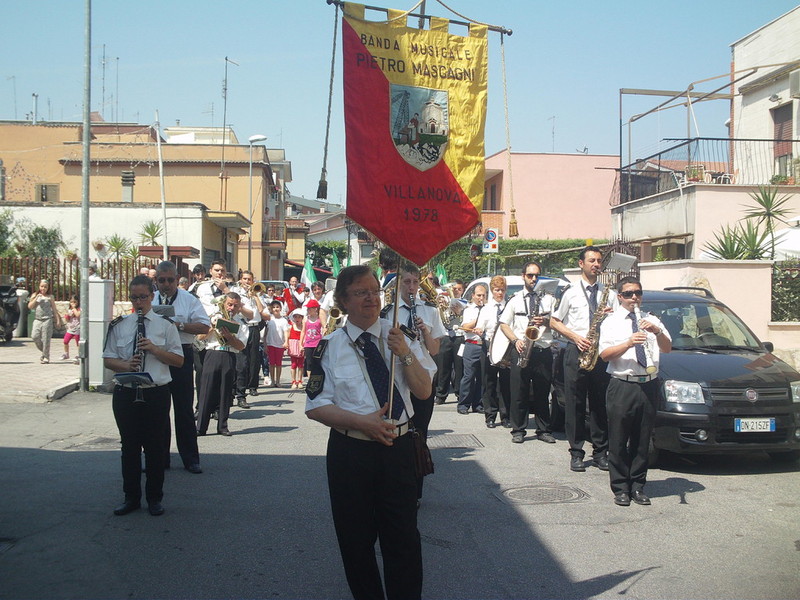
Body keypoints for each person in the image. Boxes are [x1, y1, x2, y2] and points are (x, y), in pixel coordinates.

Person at [305, 265, 436, 600]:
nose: (371, 298)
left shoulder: (401, 338)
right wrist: (363, 422)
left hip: (399, 447)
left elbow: (423, 392)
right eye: (361, 292)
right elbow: (317, 407)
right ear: (343, 301)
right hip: (353, 453)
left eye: (375, 291)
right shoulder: (328, 347)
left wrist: (405, 355)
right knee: (356, 541)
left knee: (404, 539)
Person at [103, 275, 184, 517]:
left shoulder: (165, 326)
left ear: (152, 296)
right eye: (134, 298)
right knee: (129, 447)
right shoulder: (119, 325)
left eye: (144, 297)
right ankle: (131, 497)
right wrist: (127, 365)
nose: (139, 302)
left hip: (155, 393)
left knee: (155, 447)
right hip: (126, 393)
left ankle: (155, 498)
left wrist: (155, 350)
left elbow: (179, 361)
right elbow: (108, 359)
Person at [598, 277, 671, 506]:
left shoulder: (651, 320)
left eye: (637, 293)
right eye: (628, 294)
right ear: (620, 296)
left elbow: (667, 348)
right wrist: (629, 343)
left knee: (642, 440)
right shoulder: (610, 322)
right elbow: (605, 355)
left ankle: (638, 486)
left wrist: (657, 331)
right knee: (618, 439)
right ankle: (620, 487)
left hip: (648, 383)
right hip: (622, 384)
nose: (634, 298)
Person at [381, 263, 445, 503]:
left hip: (423, 377)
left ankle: (415, 491)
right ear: (398, 285)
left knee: (419, 434)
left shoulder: (429, 310)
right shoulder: (388, 312)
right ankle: (394, 484)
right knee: (397, 432)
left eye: (415, 282)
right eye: (406, 282)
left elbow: (435, 349)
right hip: (397, 378)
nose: (411, 287)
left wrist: (424, 331)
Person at [550, 246, 617, 472]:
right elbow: (555, 321)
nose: (596, 264)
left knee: (600, 404)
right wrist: (576, 337)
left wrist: (611, 316)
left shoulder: (610, 294)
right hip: (576, 350)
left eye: (599, 261)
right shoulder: (570, 292)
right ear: (581, 264)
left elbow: (620, 321)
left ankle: (600, 452)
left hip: (600, 353)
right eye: (592, 260)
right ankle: (576, 452)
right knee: (575, 403)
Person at [153, 261, 210, 474]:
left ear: (177, 279)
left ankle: (190, 458)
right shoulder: (151, 299)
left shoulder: (188, 300)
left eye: (170, 280)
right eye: (161, 280)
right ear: (156, 281)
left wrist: (179, 325)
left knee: (183, 409)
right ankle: (160, 457)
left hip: (181, 353)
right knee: (158, 410)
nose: (166, 284)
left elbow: (204, 325)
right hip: (156, 355)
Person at [498, 262, 557, 444]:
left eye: (536, 275)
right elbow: (504, 324)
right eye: (530, 275)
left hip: (542, 349)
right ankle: (518, 429)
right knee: (519, 391)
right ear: (523, 276)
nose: (534, 279)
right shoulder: (515, 300)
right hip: (522, 348)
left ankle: (543, 429)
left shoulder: (549, 300)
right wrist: (515, 341)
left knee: (542, 391)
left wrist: (546, 322)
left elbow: (558, 324)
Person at [195, 292, 249, 437]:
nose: (231, 308)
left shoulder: (241, 323)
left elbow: (241, 346)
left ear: (239, 307)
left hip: (229, 355)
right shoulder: (213, 317)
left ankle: (223, 426)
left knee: (225, 392)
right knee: (206, 391)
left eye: (235, 306)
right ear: (224, 304)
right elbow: (199, 338)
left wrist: (229, 337)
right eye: (229, 305)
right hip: (212, 353)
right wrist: (212, 327)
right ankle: (201, 427)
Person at [477, 276, 511, 428]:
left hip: (506, 347)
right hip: (489, 345)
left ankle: (506, 416)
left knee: (506, 382)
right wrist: (479, 330)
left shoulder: (509, 307)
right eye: (497, 290)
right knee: (489, 381)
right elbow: (480, 327)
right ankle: (490, 415)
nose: (500, 293)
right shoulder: (486, 309)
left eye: (502, 290)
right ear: (492, 291)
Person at [231, 270, 268, 408]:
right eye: (245, 279)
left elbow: (261, 310)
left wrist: (255, 296)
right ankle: (236, 390)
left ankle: (252, 386)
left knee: (254, 358)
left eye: (249, 279)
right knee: (241, 361)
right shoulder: (236, 292)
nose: (247, 282)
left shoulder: (257, 293)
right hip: (241, 327)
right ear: (241, 280)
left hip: (254, 328)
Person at [433, 279, 466, 404]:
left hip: (459, 337)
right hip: (446, 336)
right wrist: (439, 305)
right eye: (454, 289)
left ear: (462, 290)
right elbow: (440, 317)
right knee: (443, 367)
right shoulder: (445, 303)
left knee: (459, 367)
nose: (456, 291)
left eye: (459, 289)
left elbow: (460, 314)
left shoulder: (465, 303)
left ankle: (459, 393)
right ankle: (441, 395)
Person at [457, 283, 487, 415]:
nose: (481, 298)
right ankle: (463, 404)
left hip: (484, 344)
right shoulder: (469, 309)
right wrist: (479, 320)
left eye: (483, 295)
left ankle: (478, 404)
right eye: (478, 295)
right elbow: (465, 326)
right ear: (473, 296)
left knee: (482, 376)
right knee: (469, 375)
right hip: (471, 343)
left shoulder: (488, 308)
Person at [28, 279, 62, 364]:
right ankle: (44, 352)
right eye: (42, 286)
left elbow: (54, 309)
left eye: (45, 287)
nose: (43, 288)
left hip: (47, 319)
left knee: (46, 338)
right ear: (39, 286)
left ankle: (46, 357)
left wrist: (57, 319)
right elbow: (30, 306)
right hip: (38, 319)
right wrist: (36, 298)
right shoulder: (35, 295)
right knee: (35, 336)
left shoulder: (50, 297)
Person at [264, 300, 289, 387]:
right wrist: (265, 344)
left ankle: (278, 381)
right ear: (271, 309)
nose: (275, 309)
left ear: (281, 308)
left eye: (277, 307)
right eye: (274, 307)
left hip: (279, 344)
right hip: (270, 344)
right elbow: (265, 333)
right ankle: (272, 380)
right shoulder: (269, 319)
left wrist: (286, 341)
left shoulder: (283, 320)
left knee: (278, 363)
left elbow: (286, 332)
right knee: (271, 364)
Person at [300, 298, 323, 388]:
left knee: (317, 362)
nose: (308, 310)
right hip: (308, 343)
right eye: (308, 308)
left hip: (317, 343)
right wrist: (300, 343)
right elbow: (303, 331)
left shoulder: (319, 318)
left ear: (315, 309)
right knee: (309, 362)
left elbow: (323, 329)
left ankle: (318, 380)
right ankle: (310, 381)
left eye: (310, 308)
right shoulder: (306, 319)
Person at [287, 310, 305, 389]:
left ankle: (300, 380)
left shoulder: (303, 327)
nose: (297, 319)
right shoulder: (291, 327)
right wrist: (286, 343)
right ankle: (293, 381)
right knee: (294, 364)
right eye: (296, 317)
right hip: (293, 346)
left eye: (299, 317)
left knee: (300, 365)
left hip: (300, 346)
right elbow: (287, 336)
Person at [61, 295, 81, 363]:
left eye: (74, 302)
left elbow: (78, 315)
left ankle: (79, 355)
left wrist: (74, 309)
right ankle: (66, 353)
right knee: (65, 341)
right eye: (71, 302)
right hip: (71, 328)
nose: (73, 303)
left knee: (78, 343)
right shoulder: (70, 309)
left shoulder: (79, 309)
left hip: (78, 328)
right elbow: (67, 319)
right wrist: (68, 315)